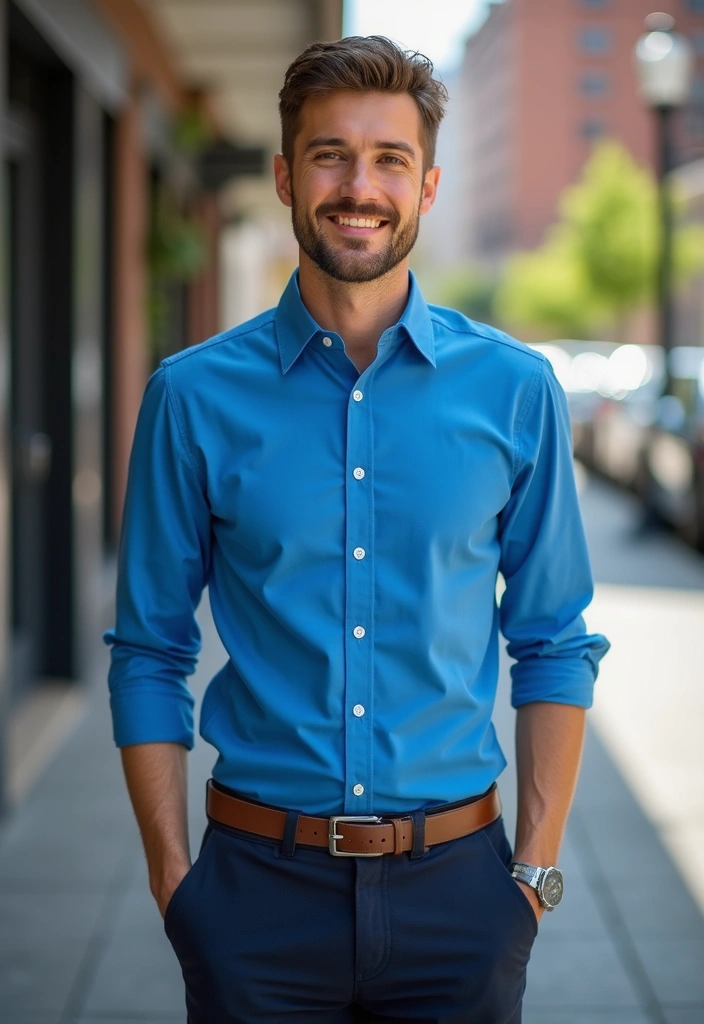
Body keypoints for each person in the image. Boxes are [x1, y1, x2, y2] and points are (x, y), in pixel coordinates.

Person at [105, 35, 609, 1024]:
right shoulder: (192, 397)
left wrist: (531, 882)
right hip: (252, 896)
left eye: (386, 159)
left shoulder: (515, 392)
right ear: (288, 176)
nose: (357, 185)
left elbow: (552, 642)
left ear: (424, 185)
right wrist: (177, 886)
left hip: (460, 894)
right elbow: (146, 649)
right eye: (330, 154)